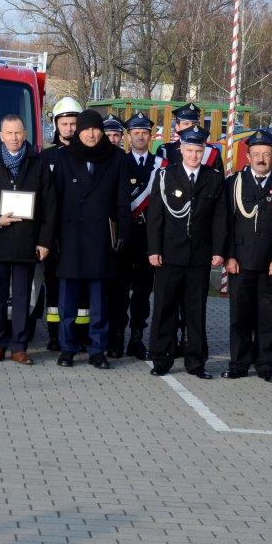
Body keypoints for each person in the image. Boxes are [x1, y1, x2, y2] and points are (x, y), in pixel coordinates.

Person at [52, 110, 131, 369]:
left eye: (96, 129)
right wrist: (52, 237)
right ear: (79, 131)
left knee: (99, 301)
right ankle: (67, 349)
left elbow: (122, 201)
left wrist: (122, 234)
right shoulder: (64, 156)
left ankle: (98, 350)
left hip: (100, 239)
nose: (91, 134)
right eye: (86, 129)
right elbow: (55, 201)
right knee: (68, 301)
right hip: (71, 237)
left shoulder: (116, 158)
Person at [147, 127, 228, 378]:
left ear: (204, 151)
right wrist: (154, 250)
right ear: (180, 149)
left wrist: (218, 250)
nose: (194, 155)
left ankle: (196, 363)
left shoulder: (213, 178)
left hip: (199, 256)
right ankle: (161, 359)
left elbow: (220, 218)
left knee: (195, 311)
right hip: (169, 255)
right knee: (164, 309)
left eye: (198, 150)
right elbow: (155, 217)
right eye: (189, 150)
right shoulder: (165, 176)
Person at [0, 113, 56, 365]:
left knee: (22, 296)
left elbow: (49, 205)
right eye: (9, 133)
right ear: (1, 136)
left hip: (27, 240)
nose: (14, 138)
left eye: (18, 132)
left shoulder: (38, 163)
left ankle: (19, 347)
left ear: (25, 134)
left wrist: (44, 241)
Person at [222, 129, 272, 382]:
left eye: (266, 154)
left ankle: (267, 365)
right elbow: (226, 224)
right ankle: (238, 363)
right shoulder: (233, 183)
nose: (261, 159)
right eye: (256, 154)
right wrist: (229, 256)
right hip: (240, 261)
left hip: (270, 263)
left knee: (270, 317)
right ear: (248, 155)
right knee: (240, 316)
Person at [109, 112, 157, 360]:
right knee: (119, 291)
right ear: (128, 136)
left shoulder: (160, 165)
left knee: (142, 292)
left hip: (148, 238)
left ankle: (137, 339)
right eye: (136, 132)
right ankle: (117, 337)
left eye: (144, 132)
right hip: (124, 237)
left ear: (151, 136)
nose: (140, 136)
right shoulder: (119, 162)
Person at [40, 96, 83, 351]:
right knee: (53, 286)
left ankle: (79, 334)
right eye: (64, 123)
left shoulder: (88, 156)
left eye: (73, 123)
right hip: (53, 234)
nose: (69, 128)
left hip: (79, 234)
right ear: (56, 125)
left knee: (81, 288)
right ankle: (55, 335)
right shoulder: (46, 158)